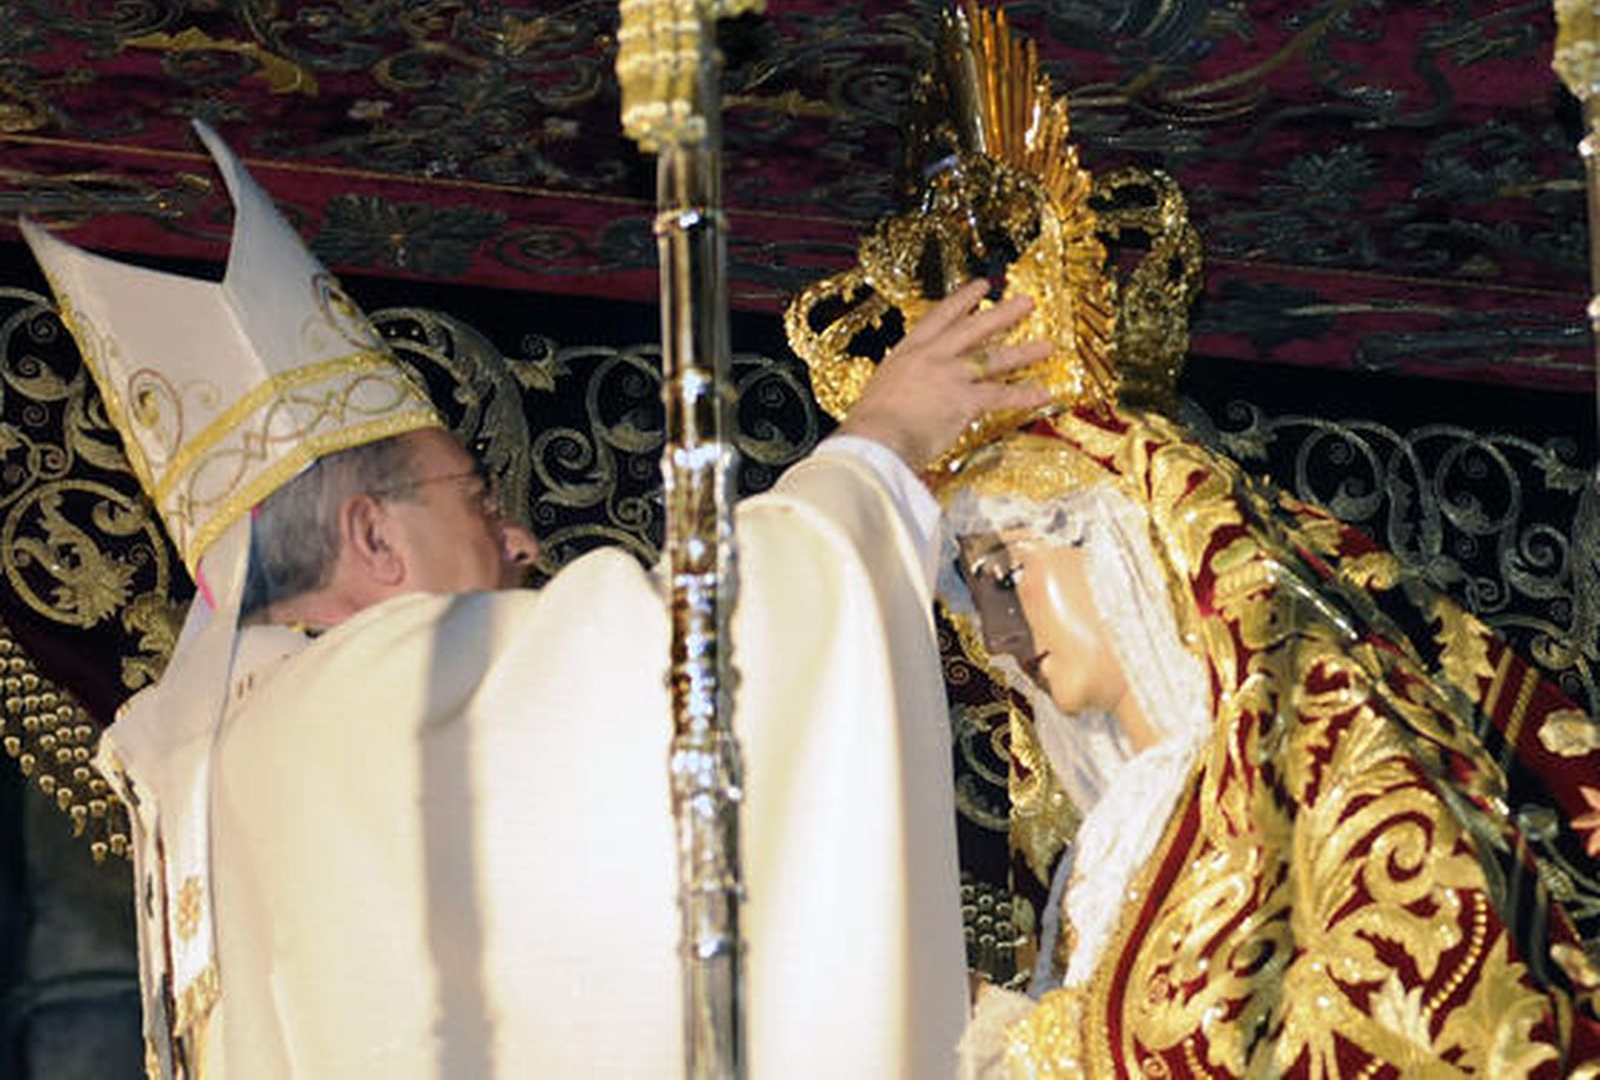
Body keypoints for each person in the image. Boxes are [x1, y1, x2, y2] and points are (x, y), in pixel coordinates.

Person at [21, 120, 1051, 1078]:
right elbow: (702, 675)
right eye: (473, 496)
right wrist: (882, 448)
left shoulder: (237, 761)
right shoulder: (363, 691)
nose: (519, 536)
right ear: (372, 534)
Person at [785, 0, 1600, 1078]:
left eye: (1001, 571)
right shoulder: (1104, 839)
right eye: (971, 588)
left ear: (1126, 546)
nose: (992, 632)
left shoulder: (1287, 793)